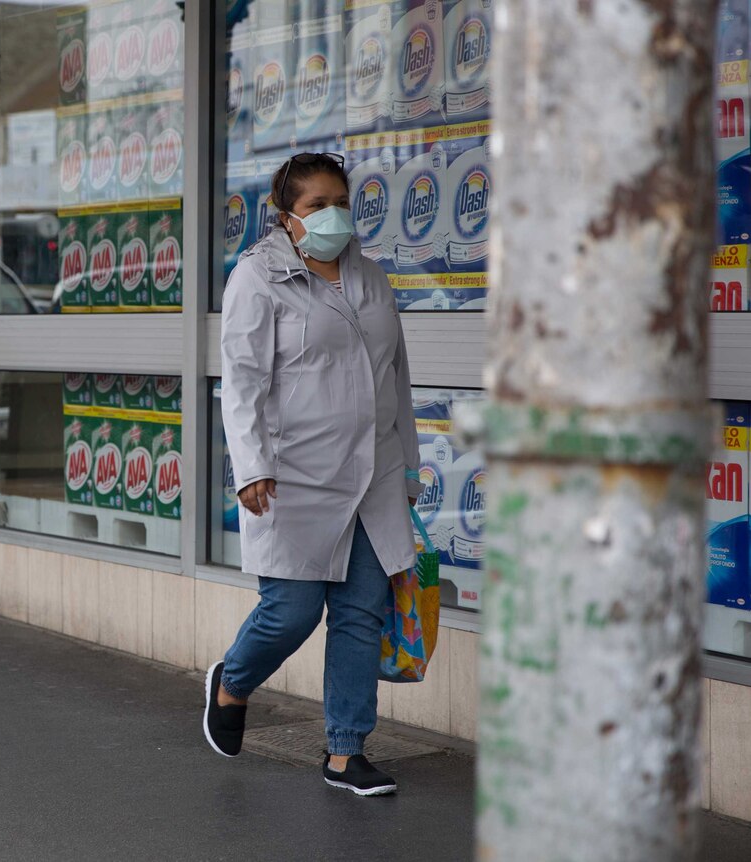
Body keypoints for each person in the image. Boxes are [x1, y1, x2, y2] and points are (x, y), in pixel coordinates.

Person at [204, 152, 423, 796]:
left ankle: (345, 750)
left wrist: (407, 469)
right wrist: (250, 467)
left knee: (360, 612)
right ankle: (232, 682)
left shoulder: (372, 278)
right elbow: (242, 384)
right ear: (285, 217)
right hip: (294, 472)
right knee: (291, 612)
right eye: (315, 205)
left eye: (340, 201)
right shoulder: (257, 277)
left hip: (373, 472)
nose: (332, 215)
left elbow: (397, 378)